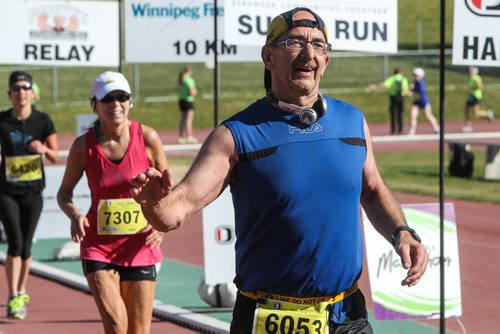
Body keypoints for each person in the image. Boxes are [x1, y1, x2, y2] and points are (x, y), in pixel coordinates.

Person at [131, 7, 428, 334]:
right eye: (294, 42)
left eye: (318, 45)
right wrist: (152, 203)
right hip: (267, 318)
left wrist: (402, 231)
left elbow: (372, 191)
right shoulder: (235, 134)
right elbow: (176, 210)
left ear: (326, 61)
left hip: (347, 316)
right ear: (268, 56)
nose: (309, 53)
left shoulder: (353, 121)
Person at [56, 71, 170, 334]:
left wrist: (162, 225)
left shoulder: (148, 138)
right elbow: (64, 193)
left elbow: (168, 189)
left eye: (122, 97)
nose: (115, 105)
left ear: (130, 102)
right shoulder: (83, 146)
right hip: (99, 246)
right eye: (107, 99)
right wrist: (74, 214)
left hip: (140, 245)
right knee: (117, 326)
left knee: (138, 331)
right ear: (95, 105)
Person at [0, 71, 59, 319]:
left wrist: (43, 148)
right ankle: (13, 296)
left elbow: (56, 156)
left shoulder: (43, 121)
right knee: (14, 242)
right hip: (6, 191)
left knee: (26, 244)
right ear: (10, 94)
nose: (21, 92)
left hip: (33, 191)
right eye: (16, 88)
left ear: (32, 93)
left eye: (26, 88)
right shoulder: (1, 121)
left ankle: (22, 289)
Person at [369, 68, 409, 134]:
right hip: (401, 98)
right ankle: (400, 129)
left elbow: (384, 85)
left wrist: (375, 86)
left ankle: (393, 130)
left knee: (393, 114)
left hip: (394, 98)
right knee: (400, 114)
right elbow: (406, 90)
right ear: (401, 72)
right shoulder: (404, 79)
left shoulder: (392, 78)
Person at [407, 67, 440, 135]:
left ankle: (436, 128)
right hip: (417, 102)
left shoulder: (421, 83)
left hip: (424, 101)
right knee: (413, 116)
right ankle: (412, 131)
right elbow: (411, 92)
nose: (415, 77)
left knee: (428, 116)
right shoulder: (416, 82)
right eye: (415, 75)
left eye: (416, 75)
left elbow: (419, 91)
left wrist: (411, 90)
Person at [462, 66, 494, 132]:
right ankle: (468, 126)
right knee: (466, 110)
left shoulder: (476, 78)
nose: (469, 72)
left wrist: (475, 87)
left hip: (476, 97)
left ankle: (488, 113)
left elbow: (480, 87)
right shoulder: (471, 78)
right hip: (471, 96)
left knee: (476, 113)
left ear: (474, 71)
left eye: (471, 70)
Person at [177, 66, 198, 144]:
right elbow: (192, 92)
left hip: (182, 100)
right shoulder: (189, 80)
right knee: (188, 119)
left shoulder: (181, 80)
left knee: (183, 119)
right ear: (188, 71)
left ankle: (181, 136)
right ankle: (189, 136)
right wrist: (195, 91)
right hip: (188, 101)